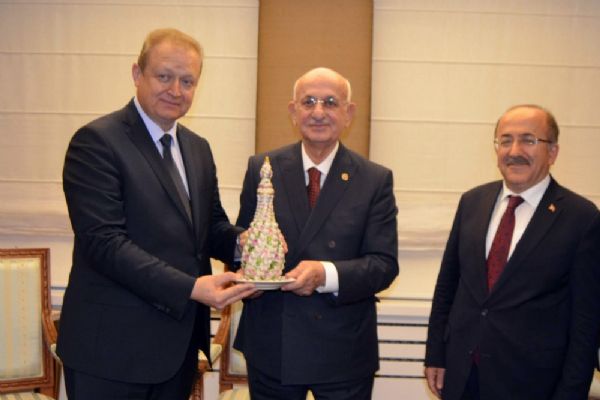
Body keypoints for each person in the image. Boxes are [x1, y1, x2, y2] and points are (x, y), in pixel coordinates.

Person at [56, 28, 256, 400]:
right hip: (110, 352)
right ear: (137, 74)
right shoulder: (96, 142)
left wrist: (249, 246)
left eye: (187, 81)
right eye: (164, 76)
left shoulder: (197, 148)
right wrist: (191, 288)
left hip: (177, 350)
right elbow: (104, 244)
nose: (175, 90)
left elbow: (209, 227)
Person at [233, 67, 399, 400]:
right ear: (293, 112)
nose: (318, 112)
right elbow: (243, 242)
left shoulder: (374, 180)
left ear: (348, 113)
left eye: (330, 102)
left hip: (344, 349)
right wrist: (245, 269)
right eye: (308, 102)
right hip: (273, 344)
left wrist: (325, 274)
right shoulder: (262, 168)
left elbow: (383, 266)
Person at [424, 104, 600, 400]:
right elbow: (448, 286)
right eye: (505, 140)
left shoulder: (581, 218)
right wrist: (436, 354)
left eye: (529, 140)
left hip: (532, 382)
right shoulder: (472, 202)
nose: (514, 151)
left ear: (552, 152)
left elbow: (586, 321)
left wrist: (572, 391)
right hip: (462, 374)